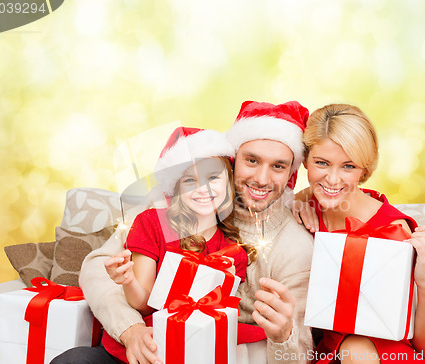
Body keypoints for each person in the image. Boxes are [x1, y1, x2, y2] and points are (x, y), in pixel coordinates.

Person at [52, 101, 315, 364]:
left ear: (291, 173)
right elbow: (97, 268)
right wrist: (130, 329)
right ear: (232, 162)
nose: (261, 178)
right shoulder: (176, 206)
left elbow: (301, 354)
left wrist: (284, 336)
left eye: (278, 166)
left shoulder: (295, 247)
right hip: (144, 346)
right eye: (252, 160)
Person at [292, 103, 425, 363]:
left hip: (391, 352)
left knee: (356, 346)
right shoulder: (303, 208)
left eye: (348, 166)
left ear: (364, 169)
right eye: (322, 163)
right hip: (332, 349)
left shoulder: (392, 231)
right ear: (305, 160)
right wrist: (296, 198)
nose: (332, 179)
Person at [103, 127, 250, 362]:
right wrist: (128, 280)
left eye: (213, 177)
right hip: (144, 345)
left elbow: (212, 322)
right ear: (177, 188)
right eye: (190, 180)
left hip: (190, 351)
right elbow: (143, 304)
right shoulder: (152, 223)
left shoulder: (234, 253)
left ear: (229, 181)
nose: (203, 188)